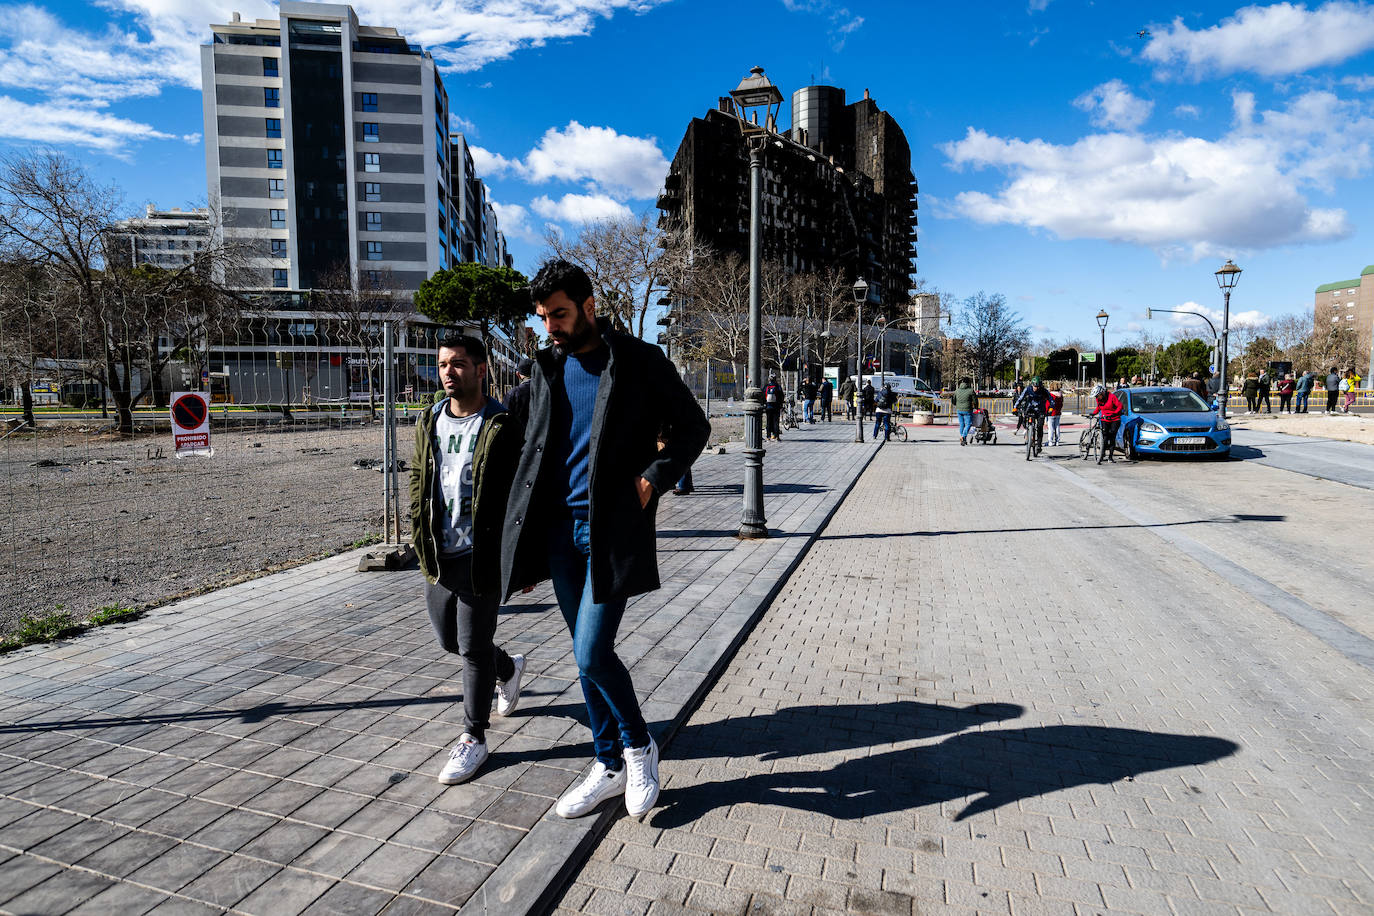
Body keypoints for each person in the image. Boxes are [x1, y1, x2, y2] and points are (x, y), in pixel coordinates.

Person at [502, 259, 710, 820]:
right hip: (558, 533)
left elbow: (694, 426)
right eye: (544, 317)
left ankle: (638, 747)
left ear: (590, 306)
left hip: (613, 528)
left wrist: (652, 479)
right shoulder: (543, 369)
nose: (552, 327)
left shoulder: (639, 361)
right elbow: (512, 434)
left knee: (593, 650)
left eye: (561, 314)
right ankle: (607, 763)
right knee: (583, 655)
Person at [410, 334, 526, 786]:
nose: (448, 372)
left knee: (473, 646)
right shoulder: (430, 417)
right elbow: (421, 476)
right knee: (449, 642)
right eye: (442, 365)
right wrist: (418, 534)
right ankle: (509, 668)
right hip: (439, 553)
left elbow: (522, 494)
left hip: (483, 555)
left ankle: (473, 737)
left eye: (458, 364)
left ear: (481, 369)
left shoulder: (501, 422)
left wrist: (523, 560)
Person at [1088, 383, 1125, 463]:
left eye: (1097, 396)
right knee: (1105, 436)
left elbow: (1120, 406)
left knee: (1112, 436)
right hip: (1105, 419)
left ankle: (1110, 457)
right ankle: (1102, 454)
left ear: (1102, 393)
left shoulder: (1111, 397)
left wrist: (1114, 413)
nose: (1097, 398)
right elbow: (1099, 407)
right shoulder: (1098, 399)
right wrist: (1094, 413)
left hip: (1115, 419)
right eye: (1096, 396)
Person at [1013, 377, 1050, 451]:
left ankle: (1039, 445)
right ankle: (1029, 432)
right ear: (1032, 385)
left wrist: (1051, 408)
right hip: (1031, 408)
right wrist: (1015, 407)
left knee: (1040, 427)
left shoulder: (1043, 390)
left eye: (1037, 386)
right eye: (1034, 386)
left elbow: (1051, 399)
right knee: (1024, 418)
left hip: (1040, 410)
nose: (1036, 388)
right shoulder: (1028, 389)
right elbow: (1020, 398)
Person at [504, 357, 534, 428]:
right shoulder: (546, 391)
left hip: (519, 436)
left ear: (518, 374)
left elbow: (504, 418)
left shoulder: (513, 393)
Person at [953, 377, 978, 445]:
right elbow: (975, 400)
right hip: (967, 410)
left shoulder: (957, 390)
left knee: (962, 424)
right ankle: (964, 436)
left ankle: (962, 437)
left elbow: (953, 400)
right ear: (968, 383)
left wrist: (957, 405)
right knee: (968, 424)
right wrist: (976, 407)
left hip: (959, 410)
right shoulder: (971, 390)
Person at [763, 374, 784, 441]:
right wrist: (780, 404)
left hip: (768, 406)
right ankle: (776, 436)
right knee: (776, 421)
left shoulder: (766, 387)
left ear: (769, 379)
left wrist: (764, 404)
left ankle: (768, 436)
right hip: (776, 407)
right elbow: (781, 396)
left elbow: (763, 396)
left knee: (768, 421)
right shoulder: (778, 387)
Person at [1046, 382, 1065, 446]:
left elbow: (1048, 404)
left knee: (1050, 428)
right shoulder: (1060, 395)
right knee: (1057, 427)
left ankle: (1050, 441)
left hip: (1051, 413)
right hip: (1058, 412)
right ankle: (1057, 441)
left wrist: (1046, 411)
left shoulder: (1050, 395)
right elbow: (1061, 404)